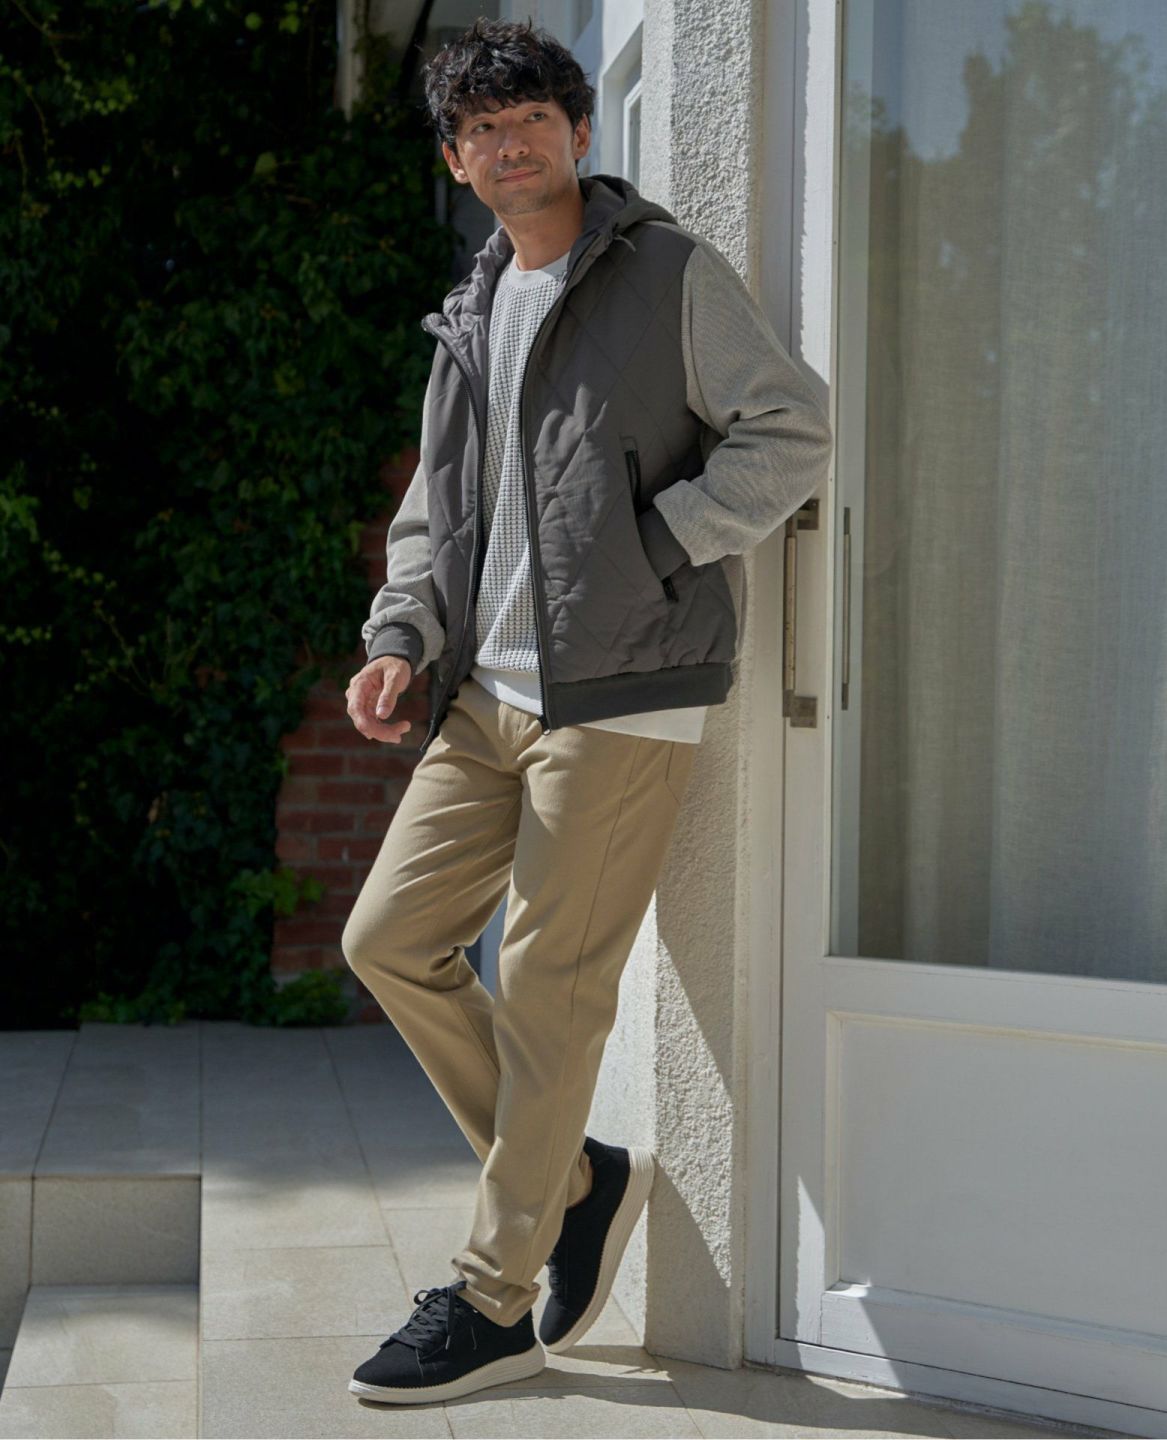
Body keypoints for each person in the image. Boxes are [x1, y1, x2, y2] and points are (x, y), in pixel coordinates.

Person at [340, 15, 833, 1407]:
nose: (509, 145)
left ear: (579, 132)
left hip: (622, 694)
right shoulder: (469, 314)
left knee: (550, 991)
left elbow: (790, 430)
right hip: (486, 699)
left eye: (531, 120)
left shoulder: (667, 273)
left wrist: (660, 544)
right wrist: (400, 635)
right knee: (389, 942)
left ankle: (495, 1300)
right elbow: (435, 515)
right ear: (456, 160)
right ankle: (579, 1180)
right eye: (481, 129)